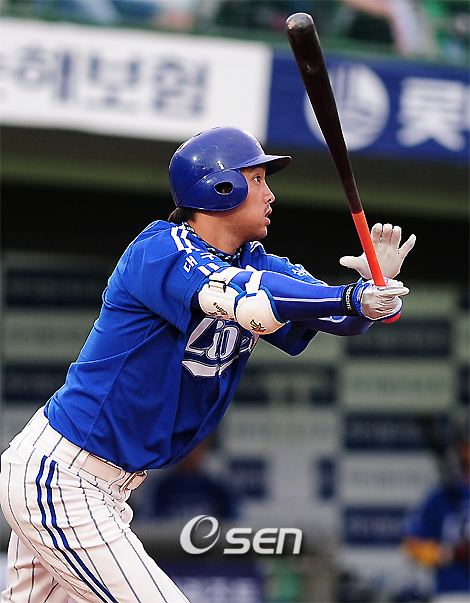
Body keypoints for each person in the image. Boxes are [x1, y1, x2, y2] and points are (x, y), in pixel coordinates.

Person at [0, 126, 415, 603]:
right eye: (256, 180)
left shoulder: (259, 263)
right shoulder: (161, 248)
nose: (270, 194)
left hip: (101, 486)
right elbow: (250, 300)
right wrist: (351, 296)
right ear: (221, 187)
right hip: (63, 476)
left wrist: (375, 291)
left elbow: (340, 318)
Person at [402, 412, 470, 603]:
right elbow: (412, 544)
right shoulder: (441, 496)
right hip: (453, 594)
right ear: (460, 449)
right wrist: (450, 553)